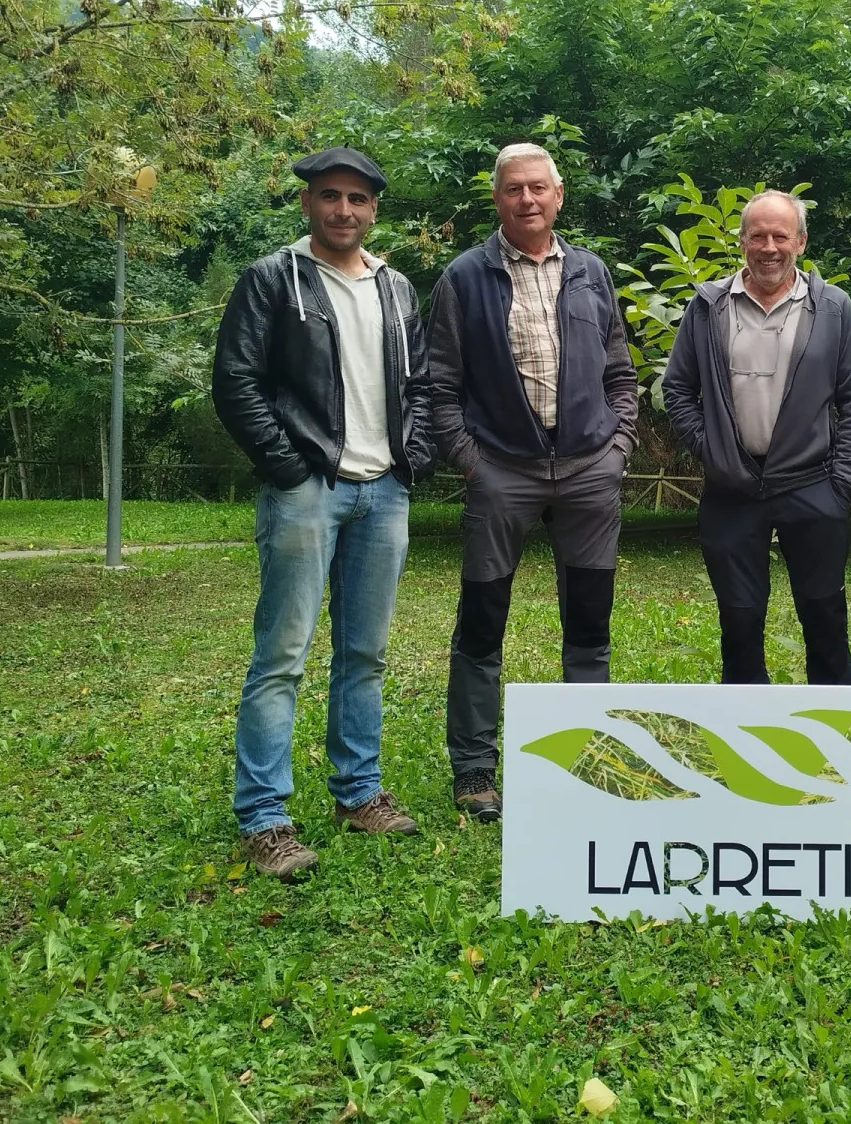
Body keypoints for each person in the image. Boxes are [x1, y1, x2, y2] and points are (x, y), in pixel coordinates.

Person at [212, 147, 434, 882]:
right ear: (307, 202)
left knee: (365, 654)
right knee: (283, 656)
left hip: (384, 491)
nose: (344, 210)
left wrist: (412, 456)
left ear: (375, 209)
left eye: (358, 199)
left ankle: (359, 794)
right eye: (330, 196)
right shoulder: (272, 279)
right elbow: (235, 381)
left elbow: (422, 382)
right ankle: (264, 820)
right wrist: (288, 466)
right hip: (308, 488)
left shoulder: (396, 287)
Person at [426, 142, 638, 823]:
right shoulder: (464, 277)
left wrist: (617, 448)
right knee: (482, 623)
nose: (527, 199)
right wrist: (472, 462)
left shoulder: (590, 272)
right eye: (514, 188)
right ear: (497, 198)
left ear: (559, 194)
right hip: (502, 474)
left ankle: (589, 766)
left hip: (588, 472)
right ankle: (474, 769)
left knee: (590, 626)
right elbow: (439, 385)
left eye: (538, 187)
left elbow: (620, 371)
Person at [662, 189, 851, 685]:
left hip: (813, 485)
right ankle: (744, 723)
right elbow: (677, 389)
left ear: (801, 241)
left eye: (781, 236)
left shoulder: (833, 307)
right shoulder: (708, 306)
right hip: (731, 490)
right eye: (758, 236)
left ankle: (834, 719)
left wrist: (842, 483)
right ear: (742, 241)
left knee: (824, 617)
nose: (769, 248)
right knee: (739, 620)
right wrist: (711, 450)